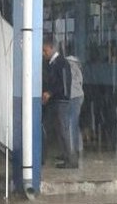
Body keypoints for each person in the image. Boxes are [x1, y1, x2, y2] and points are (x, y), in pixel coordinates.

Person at [42, 35, 76, 169]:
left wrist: (50, 92)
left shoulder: (61, 63)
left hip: (60, 100)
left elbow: (63, 84)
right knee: (57, 129)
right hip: (55, 100)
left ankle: (71, 159)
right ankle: (66, 155)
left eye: (44, 51)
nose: (43, 54)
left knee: (63, 130)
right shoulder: (52, 63)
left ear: (51, 48)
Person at [66, 50, 85, 159]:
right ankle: (77, 147)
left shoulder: (70, 67)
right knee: (74, 123)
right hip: (78, 96)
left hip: (73, 97)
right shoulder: (77, 68)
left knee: (71, 123)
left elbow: (69, 84)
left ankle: (72, 149)